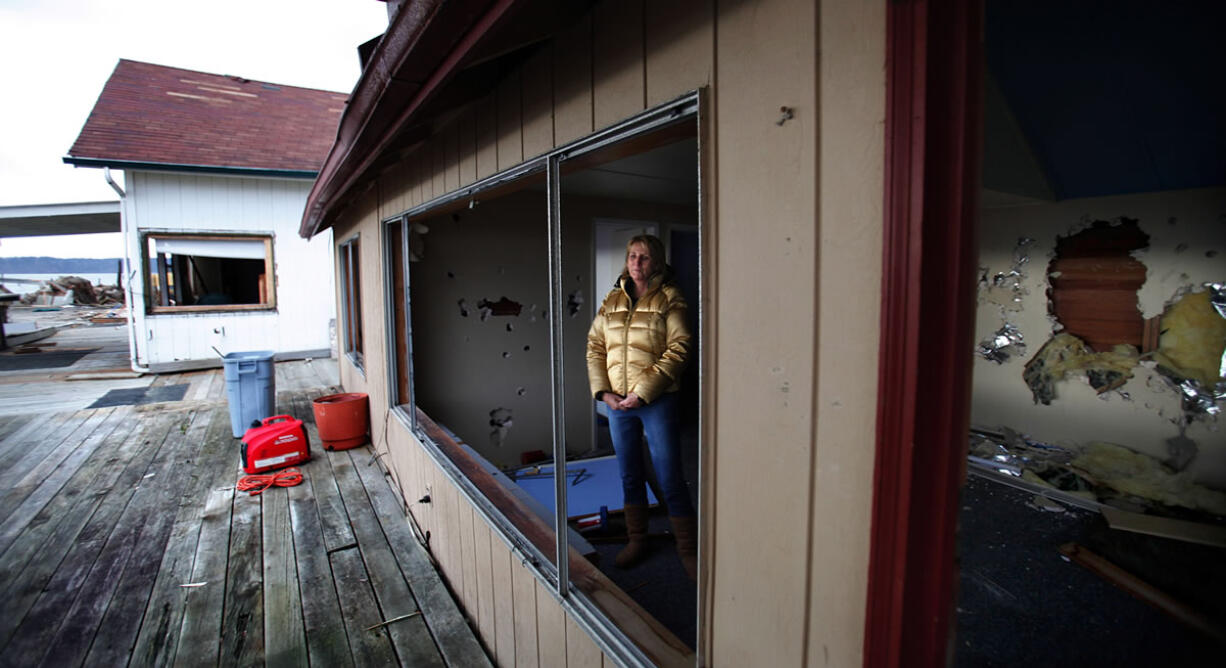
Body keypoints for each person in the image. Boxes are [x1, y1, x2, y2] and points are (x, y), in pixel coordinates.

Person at [586, 234, 696, 579]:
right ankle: (638, 539)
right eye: (632, 256)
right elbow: (595, 346)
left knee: (669, 475)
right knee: (630, 473)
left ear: (657, 262)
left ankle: (688, 550)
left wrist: (644, 392)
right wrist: (604, 393)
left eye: (644, 257)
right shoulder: (613, 299)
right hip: (618, 403)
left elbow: (680, 347)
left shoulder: (669, 298)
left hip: (656, 400)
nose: (636, 263)